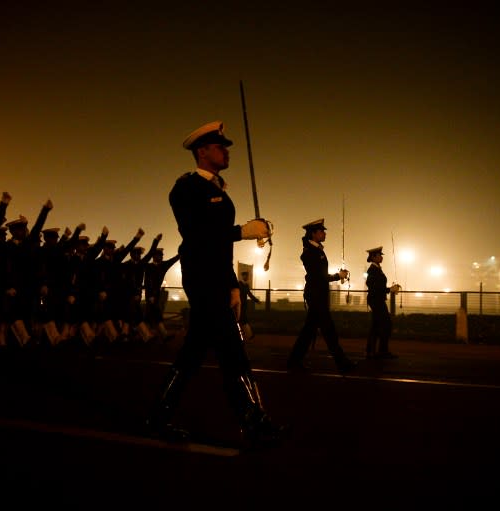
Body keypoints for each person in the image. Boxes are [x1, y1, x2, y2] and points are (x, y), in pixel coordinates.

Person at [144, 120, 288, 449]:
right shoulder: (187, 188)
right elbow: (197, 235)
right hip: (201, 276)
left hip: (216, 278)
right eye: (220, 146)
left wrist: (233, 285)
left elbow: (220, 249)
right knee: (231, 350)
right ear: (202, 151)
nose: (226, 152)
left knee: (197, 352)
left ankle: (159, 416)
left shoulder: (219, 189)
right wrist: (242, 231)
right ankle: (254, 420)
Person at [287, 219, 357, 374]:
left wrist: (337, 275)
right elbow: (318, 276)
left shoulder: (317, 250)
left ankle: (294, 361)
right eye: (321, 231)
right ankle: (342, 363)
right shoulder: (309, 253)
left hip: (318, 295)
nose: (324, 233)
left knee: (309, 331)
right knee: (328, 330)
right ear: (313, 233)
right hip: (316, 295)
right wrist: (338, 275)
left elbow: (320, 275)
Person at [364, 246, 401, 359]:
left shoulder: (377, 268)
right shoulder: (372, 270)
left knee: (376, 326)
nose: (381, 257)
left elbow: (378, 286)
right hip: (376, 300)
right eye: (379, 255)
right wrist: (389, 289)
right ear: (373, 257)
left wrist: (390, 288)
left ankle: (371, 351)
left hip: (377, 300)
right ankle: (381, 351)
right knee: (386, 324)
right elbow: (374, 287)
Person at [237, 270, 260, 341]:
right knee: (242, 320)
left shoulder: (246, 285)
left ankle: (248, 335)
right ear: (242, 276)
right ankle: (249, 335)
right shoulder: (238, 284)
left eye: (247, 276)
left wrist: (256, 300)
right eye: (246, 275)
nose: (247, 277)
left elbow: (249, 294)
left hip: (243, 306)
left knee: (242, 320)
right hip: (238, 306)